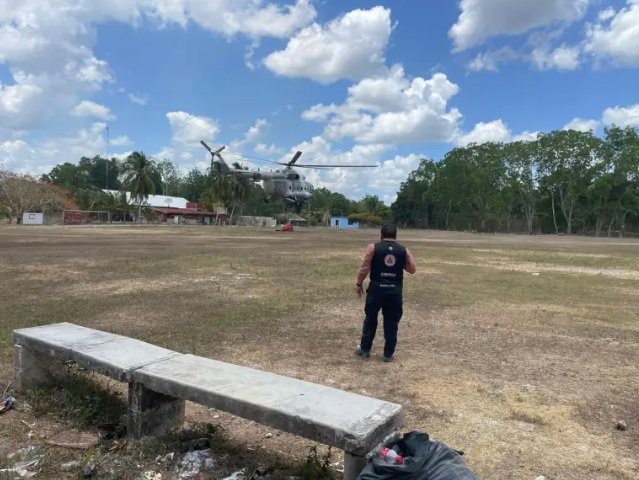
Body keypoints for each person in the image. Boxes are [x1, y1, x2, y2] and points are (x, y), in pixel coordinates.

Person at [355, 223, 416, 362]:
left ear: (381, 235)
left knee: (370, 319)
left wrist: (359, 283)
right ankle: (388, 354)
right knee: (391, 322)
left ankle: (365, 349)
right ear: (395, 236)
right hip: (394, 292)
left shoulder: (373, 248)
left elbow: (364, 268)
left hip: (376, 290)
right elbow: (412, 269)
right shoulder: (403, 250)